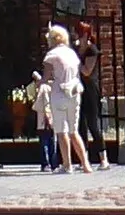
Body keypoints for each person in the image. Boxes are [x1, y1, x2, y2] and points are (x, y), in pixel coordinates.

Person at [39, 24, 90, 174]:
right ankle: (85, 164)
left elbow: (47, 76)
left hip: (59, 93)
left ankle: (67, 165)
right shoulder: (71, 53)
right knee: (74, 131)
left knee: (62, 132)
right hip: (74, 91)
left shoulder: (51, 55)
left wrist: (39, 81)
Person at [75, 21, 106, 168]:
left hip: (90, 90)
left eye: (79, 34)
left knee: (93, 124)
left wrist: (76, 62)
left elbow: (87, 71)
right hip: (78, 89)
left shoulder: (92, 50)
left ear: (86, 35)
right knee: (80, 124)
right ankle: (84, 159)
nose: (77, 37)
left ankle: (103, 158)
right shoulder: (75, 50)